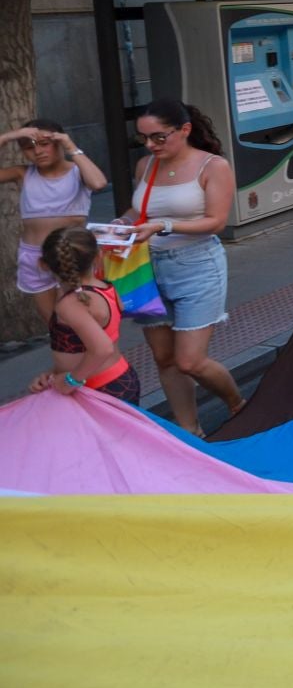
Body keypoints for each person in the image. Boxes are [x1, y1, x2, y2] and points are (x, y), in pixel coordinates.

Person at [124, 99, 242, 436]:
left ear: (185, 130)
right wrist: (121, 223)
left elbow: (216, 221)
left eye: (159, 137)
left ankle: (237, 404)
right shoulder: (145, 166)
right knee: (164, 358)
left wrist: (164, 226)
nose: (150, 145)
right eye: (143, 138)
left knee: (191, 361)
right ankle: (190, 431)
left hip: (197, 266)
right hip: (147, 268)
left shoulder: (213, 166)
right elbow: (141, 211)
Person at [2, 119, 108, 321]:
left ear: (59, 142)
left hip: (71, 254)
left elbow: (98, 183)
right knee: (54, 323)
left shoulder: (78, 171)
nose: (38, 152)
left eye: (44, 144)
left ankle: (97, 350)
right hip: (33, 255)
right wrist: (8, 137)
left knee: (84, 319)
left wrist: (71, 146)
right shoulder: (23, 172)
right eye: (28, 148)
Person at [26, 226, 141, 405]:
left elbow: (102, 349)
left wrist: (70, 381)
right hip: (118, 379)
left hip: (99, 390)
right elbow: (81, 347)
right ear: (98, 256)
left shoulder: (72, 304)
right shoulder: (104, 287)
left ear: (44, 264)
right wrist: (54, 373)